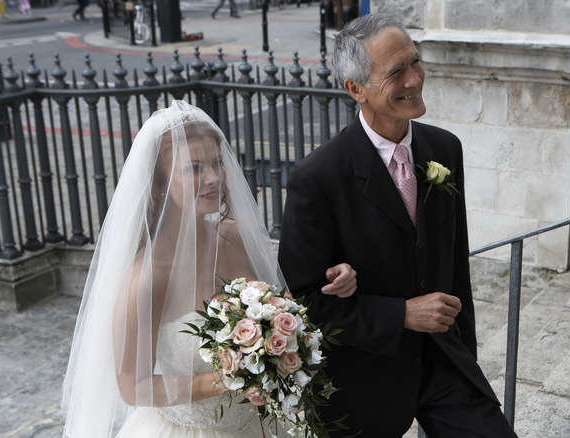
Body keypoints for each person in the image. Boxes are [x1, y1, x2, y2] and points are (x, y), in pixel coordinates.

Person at [278, 14, 519, 438]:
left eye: (415, 62)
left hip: (444, 363)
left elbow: (454, 266)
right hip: (364, 380)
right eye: (396, 72)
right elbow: (307, 305)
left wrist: (466, 355)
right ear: (356, 89)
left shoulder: (445, 147)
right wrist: (402, 314)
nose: (414, 79)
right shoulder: (317, 178)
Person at [61, 100, 357, 437]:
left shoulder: (234, 236)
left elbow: (284, 300)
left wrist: (331, 278)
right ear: (160, 184)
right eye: (195, 168)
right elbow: (132, 386)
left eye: (217, 163)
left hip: (261, 424)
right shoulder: (148, 276)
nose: (214, 177)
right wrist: (225, 377)